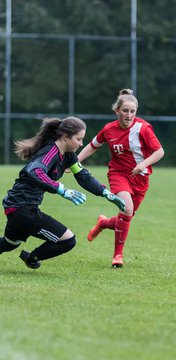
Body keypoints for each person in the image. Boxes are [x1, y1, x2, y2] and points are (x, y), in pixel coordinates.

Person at [0, 116, 125, 270]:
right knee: (68, 240)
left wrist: (106, 193)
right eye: (79, 139)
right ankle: (32, 258)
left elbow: (83, 177)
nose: (81, 144)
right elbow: (34, 171)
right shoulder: (50, 151)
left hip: (17, 206)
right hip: (22, 208)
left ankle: (31, 257)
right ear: (66, 137)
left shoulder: (68, 155)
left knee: (10, 243)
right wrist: (61, 189)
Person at [77, 89, 165, 268]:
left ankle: (102, 223)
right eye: (125, 110)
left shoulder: (144, 128)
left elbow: (160, 151)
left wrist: (143, 164)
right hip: (118, 174)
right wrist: (75, 161)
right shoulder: (109, 129)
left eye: (133, 111)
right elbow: (93, 146)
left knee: (126, 216)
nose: (129, 115)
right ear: (117, 111)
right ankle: (117, 256)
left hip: (140, 178)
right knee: (126, 209)